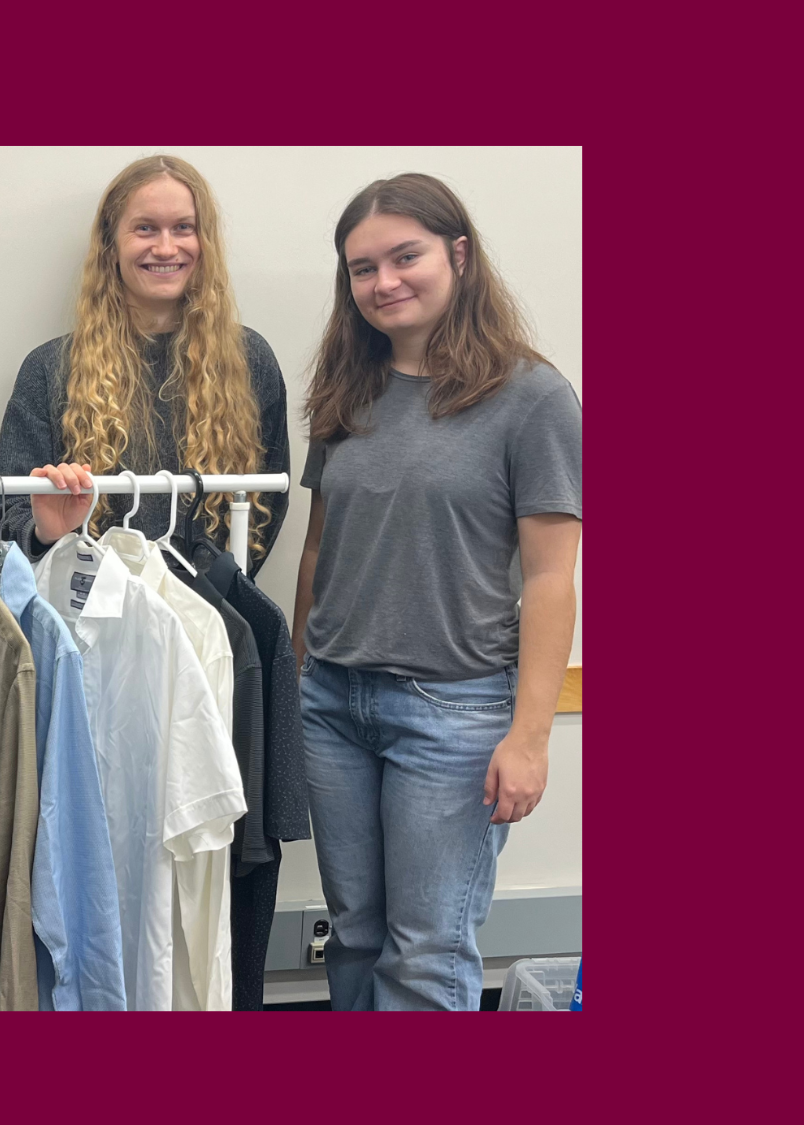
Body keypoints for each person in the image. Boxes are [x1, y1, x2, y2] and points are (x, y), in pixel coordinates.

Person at [292, 173, 581, 1011]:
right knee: (352, 935)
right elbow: (320, 544)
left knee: (425, 953)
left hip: (451, 715)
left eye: (403, 256)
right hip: (334, 704)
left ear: (458, 254)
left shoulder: (530, 399)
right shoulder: (345, 392)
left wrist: (528, 738)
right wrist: (312, 662)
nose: (383, 282)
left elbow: (550, 577)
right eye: (361, 268)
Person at [0, 153, 289, 568]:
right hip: (81, 621)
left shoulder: (250, 361)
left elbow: (267, 508)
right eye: (145, 228)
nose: (166, 247)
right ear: (111, 244)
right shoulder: (49, 369)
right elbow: (12, 516)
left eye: (183, 228)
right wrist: (48, 532)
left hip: (210, 621)